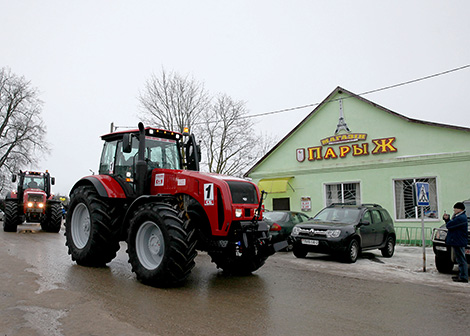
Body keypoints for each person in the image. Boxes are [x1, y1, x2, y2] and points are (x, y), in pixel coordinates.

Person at [445, 202, 468, 283]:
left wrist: (447, 220)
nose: (454, 210)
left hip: (459, 241)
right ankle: (461, 275)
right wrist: (448, 220)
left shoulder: (461, 218)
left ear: (459, 209)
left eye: (455, 208)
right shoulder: (458, 216)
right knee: (459, 259)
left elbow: (449, 225)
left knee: (461, 259)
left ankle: (464, 277)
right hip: (457, 240)